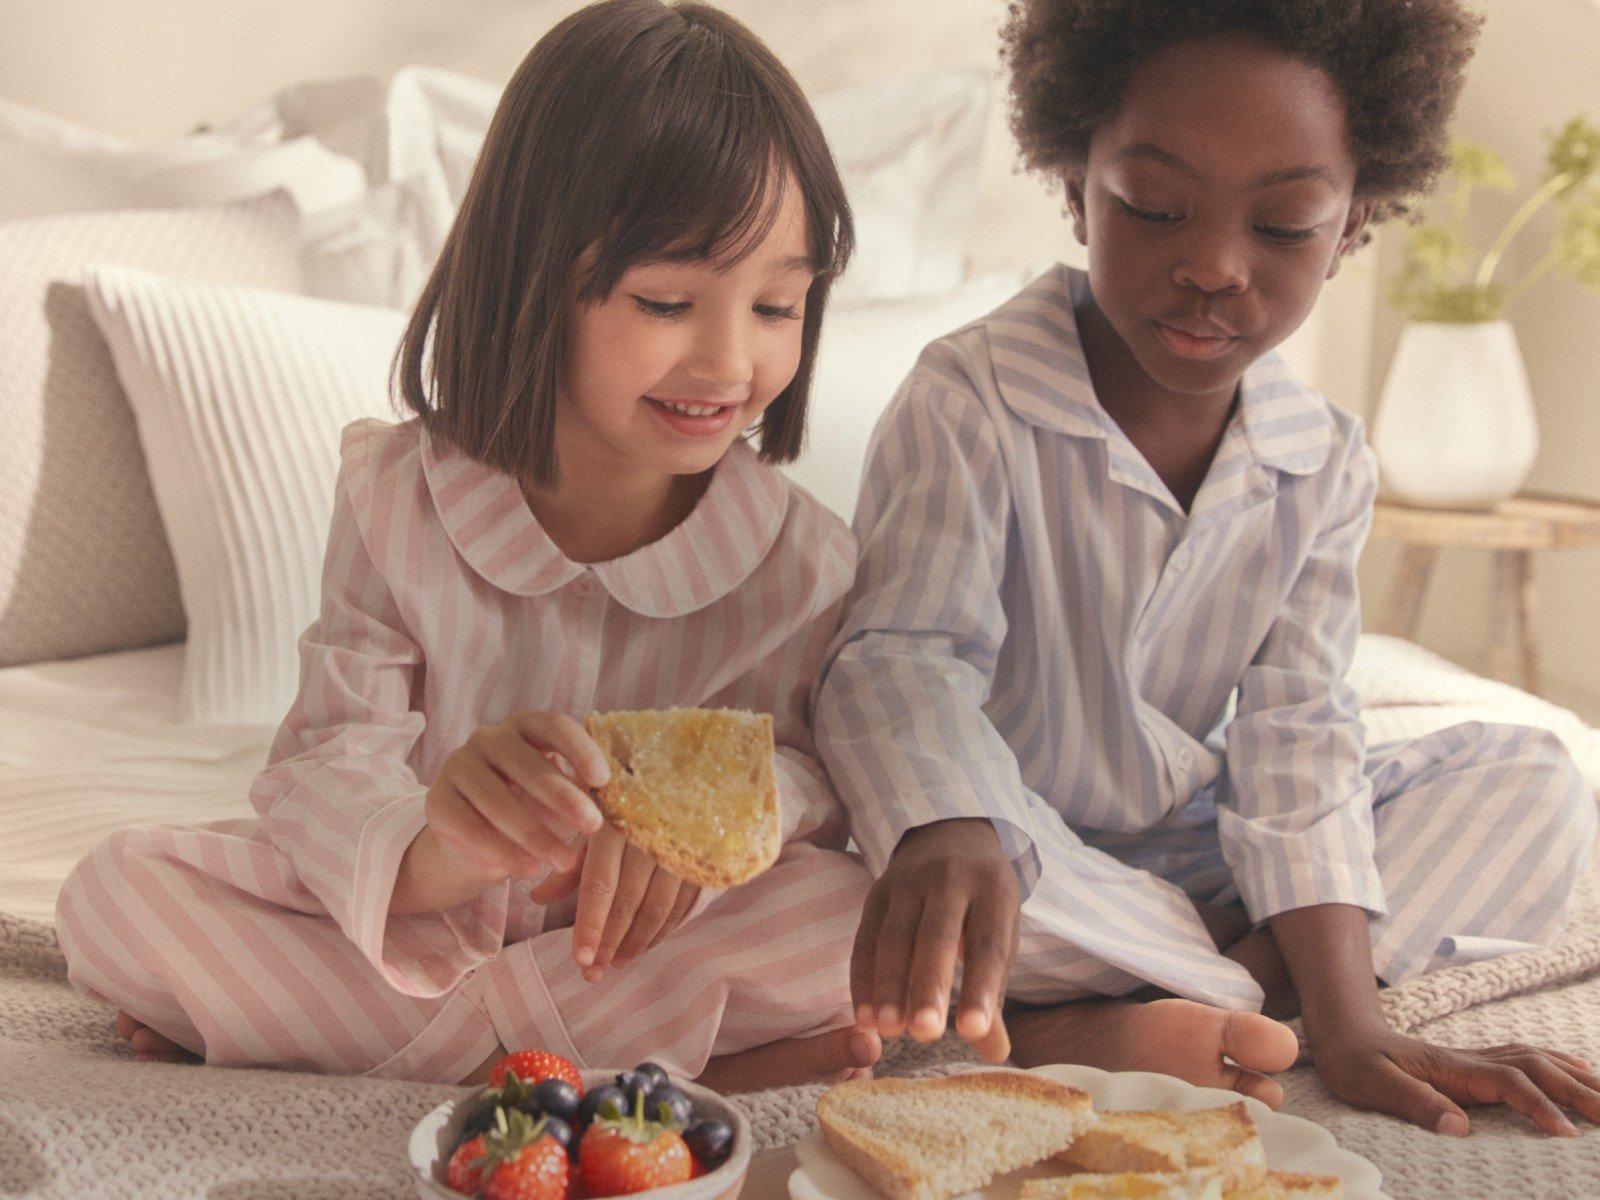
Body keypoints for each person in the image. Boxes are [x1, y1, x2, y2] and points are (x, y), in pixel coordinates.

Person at [55, 0, 884, 1092]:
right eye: (669, 300)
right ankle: (631, 1064)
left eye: (777, 306)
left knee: (861, 911)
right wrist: (439, 841)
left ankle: (430, 1056)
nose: (729, 361)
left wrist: (705, 826)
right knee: (116, 896)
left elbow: (818, 775)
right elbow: (324, 758)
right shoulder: (400, 497)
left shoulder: (801, 562)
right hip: (406, 939)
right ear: (535, 275)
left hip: (637, 950)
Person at [816, 0, 1600, 1136]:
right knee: (860, 897)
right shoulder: (969, 397)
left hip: (1196, 851)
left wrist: (1351, 1027)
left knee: (1536, 780)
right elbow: (900, 657)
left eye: (1282, 226)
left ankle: (1183, 998)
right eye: (1152, 208)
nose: (1212, 267)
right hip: (1015, 852)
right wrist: (947, 825)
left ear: (1352, 224)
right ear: (1075, 178)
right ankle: (1135, 1007)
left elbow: (1299, 739)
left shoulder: (1321, 458)